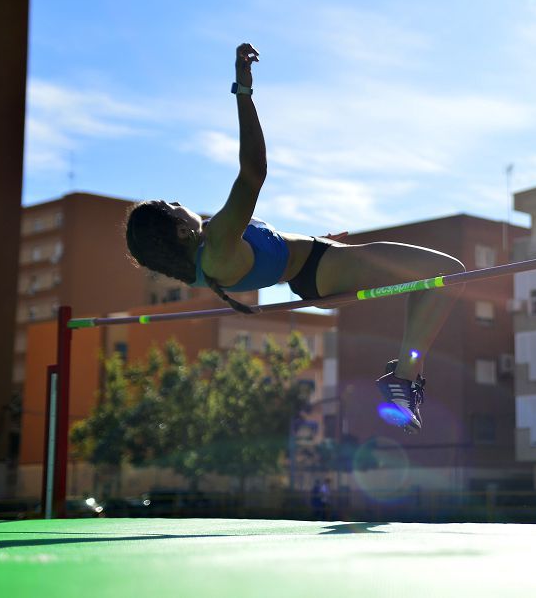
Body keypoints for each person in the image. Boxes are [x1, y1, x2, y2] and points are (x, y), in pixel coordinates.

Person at [125, 44, 464, 434]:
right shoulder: (216, 242)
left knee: (433, 279)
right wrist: (243, 92)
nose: (180, 201)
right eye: (173, 204)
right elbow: (254, 170)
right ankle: (403, 378)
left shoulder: (207, 263)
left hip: (318, 266)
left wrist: (314, 241)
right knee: (446, 272)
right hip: (322, 269)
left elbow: (270, 256)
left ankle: (404, 375)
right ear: (181, 230)